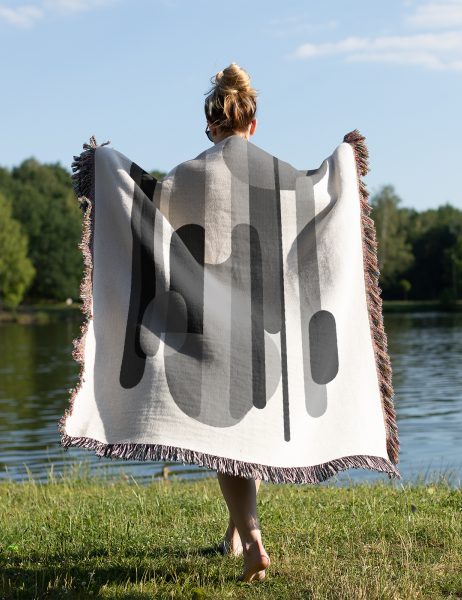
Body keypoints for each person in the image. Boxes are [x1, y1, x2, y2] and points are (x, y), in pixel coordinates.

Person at [203, 62, 269, 583]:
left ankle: (252, 542)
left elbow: (150, 218)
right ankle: (232, 536)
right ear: (252, 123)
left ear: (212, 126)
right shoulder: (276, 173)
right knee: (248, 433)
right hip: (269, 323)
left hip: (216, 320)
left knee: (225, 440)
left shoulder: (193, 173)